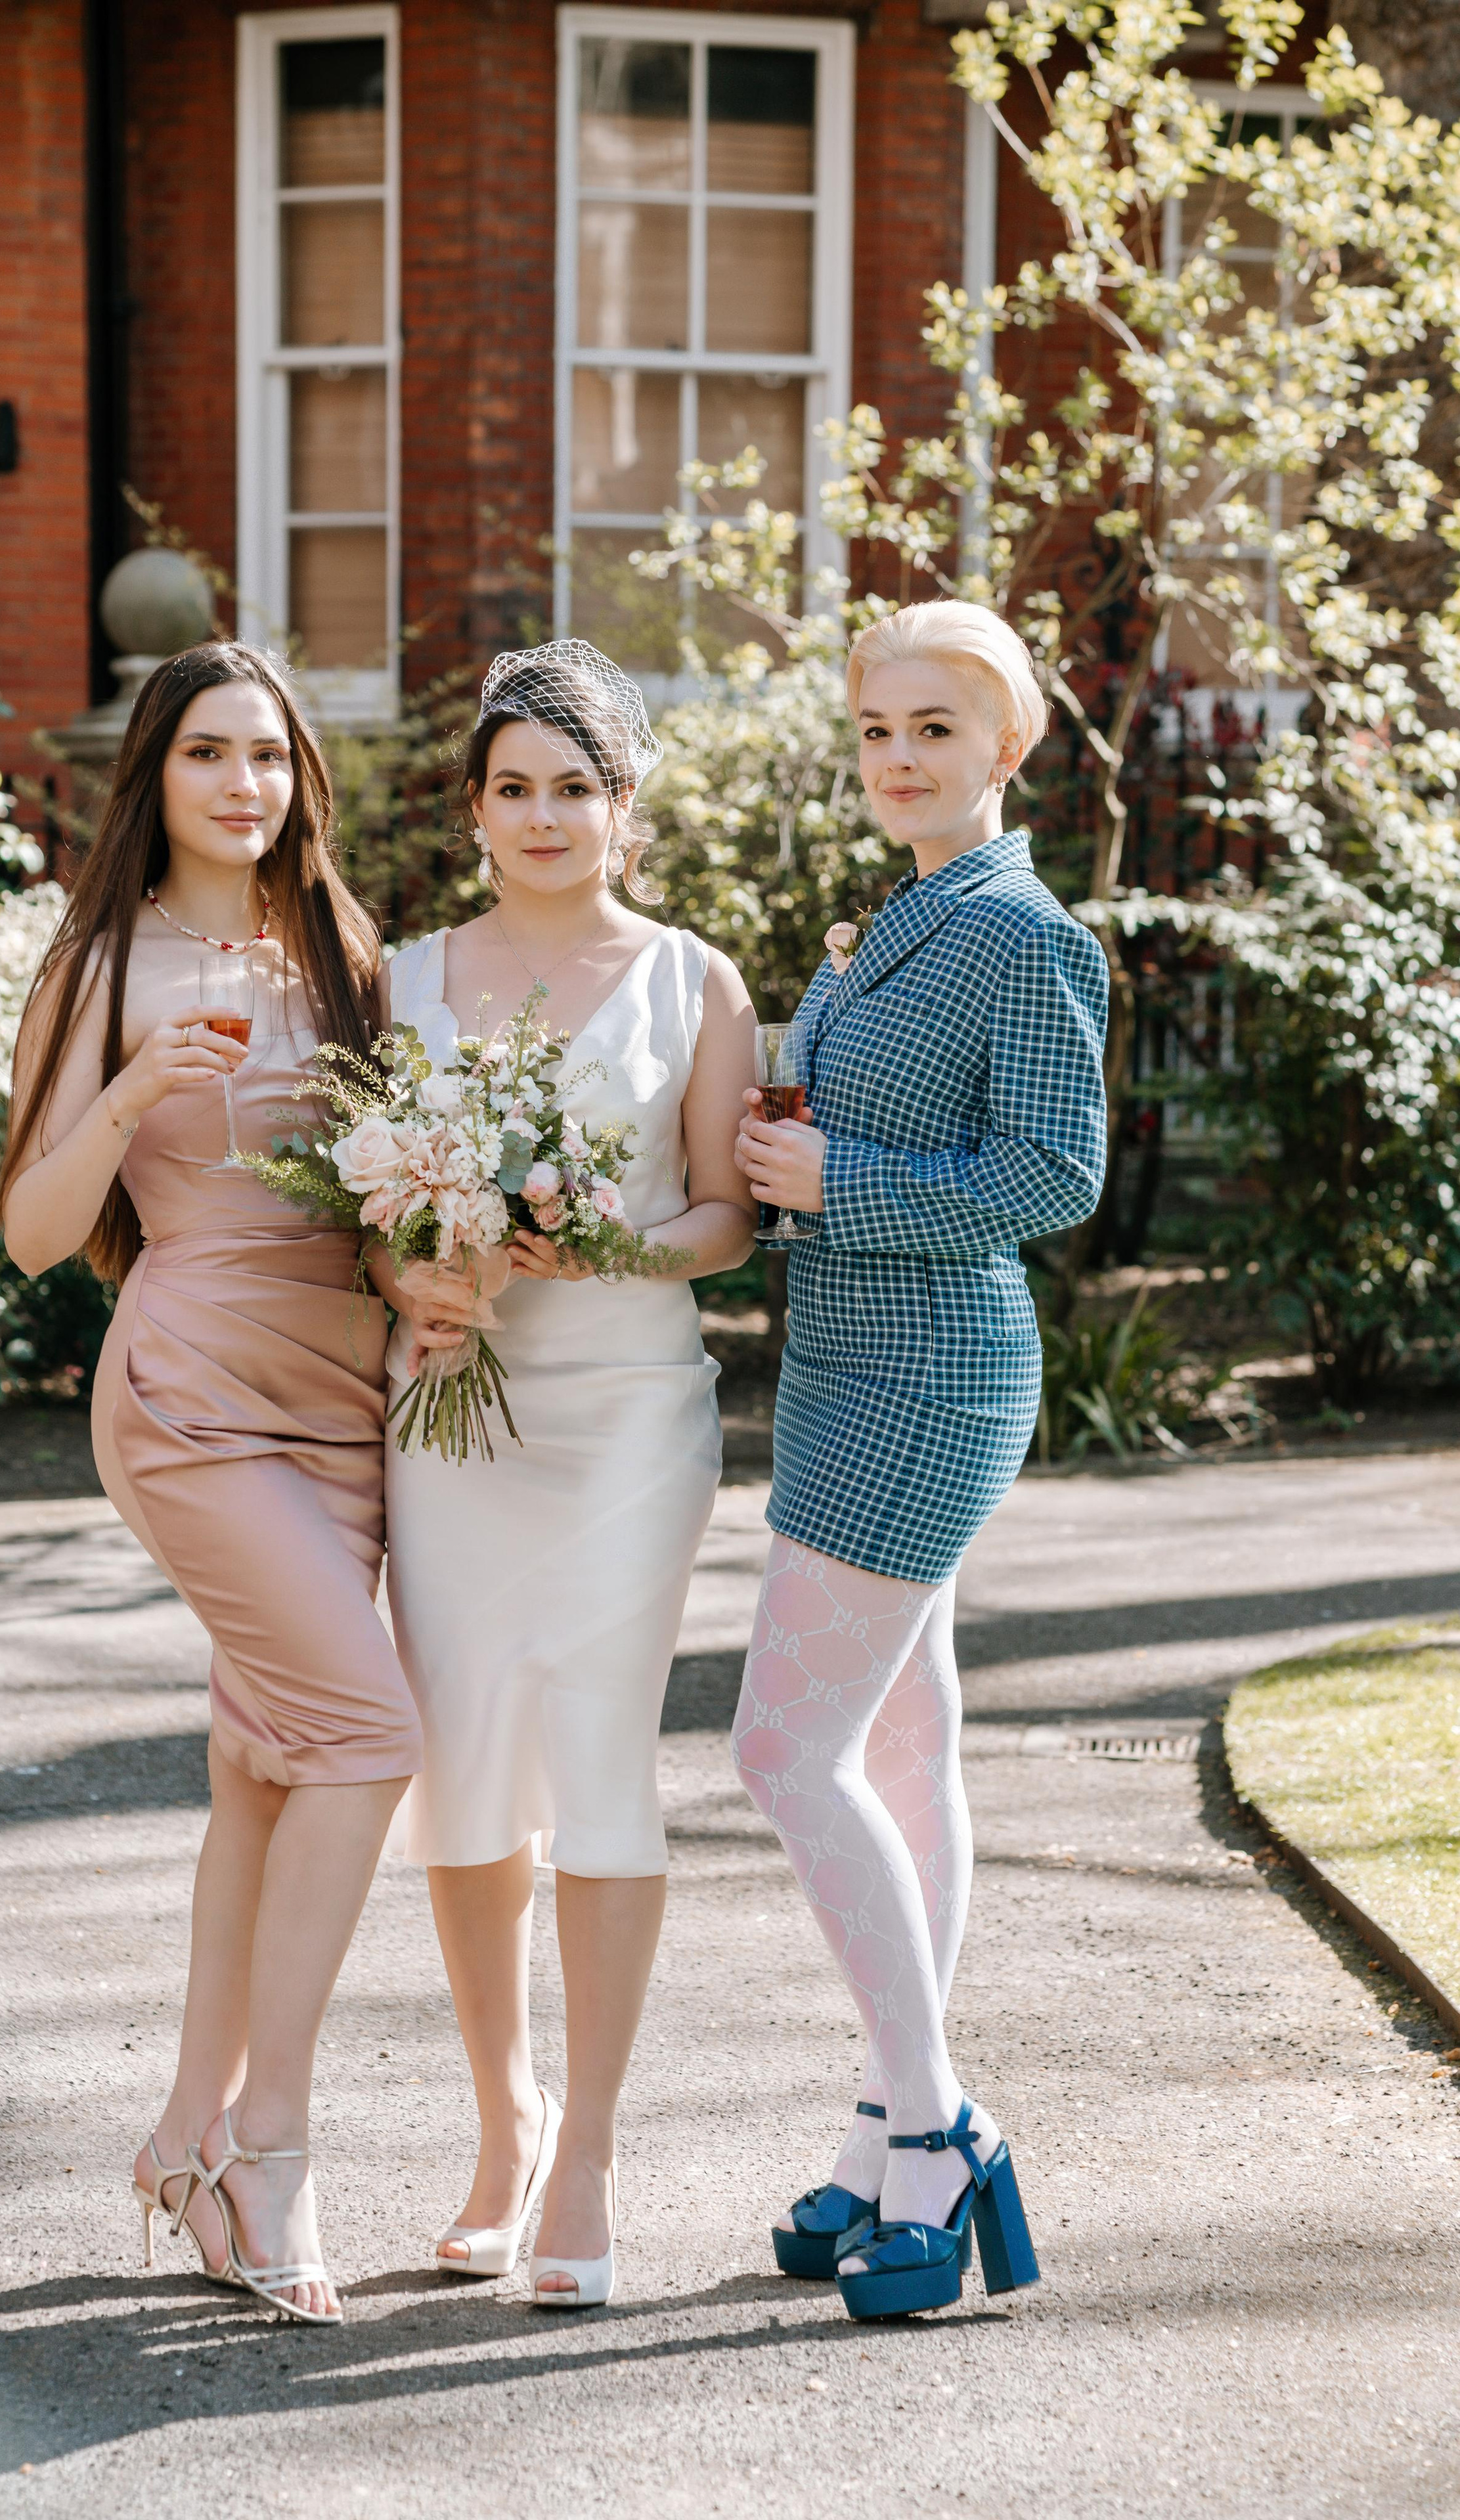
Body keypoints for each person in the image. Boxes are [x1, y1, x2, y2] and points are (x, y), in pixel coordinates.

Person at [0, 642, 422, 2325]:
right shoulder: (97, 963)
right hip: (189, 1385)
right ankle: (274, 2144)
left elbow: (397, 1184)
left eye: (267, 756)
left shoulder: (347, 948)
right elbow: (37, 1230)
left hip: (346, 1390)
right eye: (207, 756)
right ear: (154, 779)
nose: (243, 784)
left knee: (268, 1761)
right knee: (370, 1733)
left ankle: (183, 2131)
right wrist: (128, 1090)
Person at [730, 600, 1108, 2322]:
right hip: (840, 1365)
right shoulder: (896, 919)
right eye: (878, 728)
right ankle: (892, 2120)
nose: (899, 756)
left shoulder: (1022, 930)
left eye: (936, 729)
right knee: (905, 1737)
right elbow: (876, 1119)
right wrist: (776, 1133)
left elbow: (1054, 1174)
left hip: (931, 1382)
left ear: (1007, 748)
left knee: (782, 1748)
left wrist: (838, 1185)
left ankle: (944, 2133)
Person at [376, 640, 756, 2308]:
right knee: (463, 1765)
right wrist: (422, 1277)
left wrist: (588, 1248)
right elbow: (368, 1209)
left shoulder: (696, 982)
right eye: (514, 786)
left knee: (596, 1749)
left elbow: (722, 1219)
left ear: (623, 806)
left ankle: (590, 2149)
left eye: (575, 787)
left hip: (623, 1421)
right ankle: (502, 2120)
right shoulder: (399, 981)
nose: (544, 815)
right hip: (453, 1416)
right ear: (473, 807)